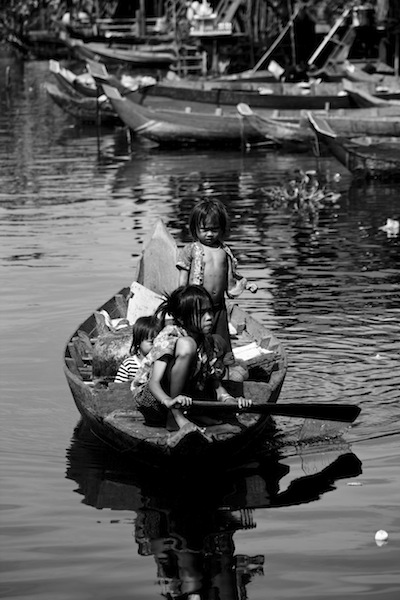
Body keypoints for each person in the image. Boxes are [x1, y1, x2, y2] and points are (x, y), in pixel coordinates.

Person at [131, 285, 251, 437]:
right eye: (201, 313)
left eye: (210, 311)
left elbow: (215, 384)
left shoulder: (207, 342)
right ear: (182, 318)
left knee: (214, 343)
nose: (209, 317)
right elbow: (154, 382)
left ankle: (189, 416)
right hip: (154, 400)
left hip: (186, 399)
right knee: (187, 344)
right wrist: (169, 402)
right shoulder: (171, 335)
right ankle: (175, 417)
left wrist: (228, 400)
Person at [176, 199, 257, 352]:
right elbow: (182, 280)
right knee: (197, 339)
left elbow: (232, 275)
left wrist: (247, 284)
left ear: (222, 229)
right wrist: (181, 302)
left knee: (222, 341)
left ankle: (224, 366)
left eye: (214, 229)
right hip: (197, 306)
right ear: (195, 228)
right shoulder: (192, 249)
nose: (209, 234)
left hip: (219, 305)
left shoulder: (224, 251)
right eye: (204, 229)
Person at [114, 316, 161, 383]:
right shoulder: (129, 365)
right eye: (151, 342)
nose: (155, 345)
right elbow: (117, 388)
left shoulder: (162, 363)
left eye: (159, 342)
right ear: (138, 342)